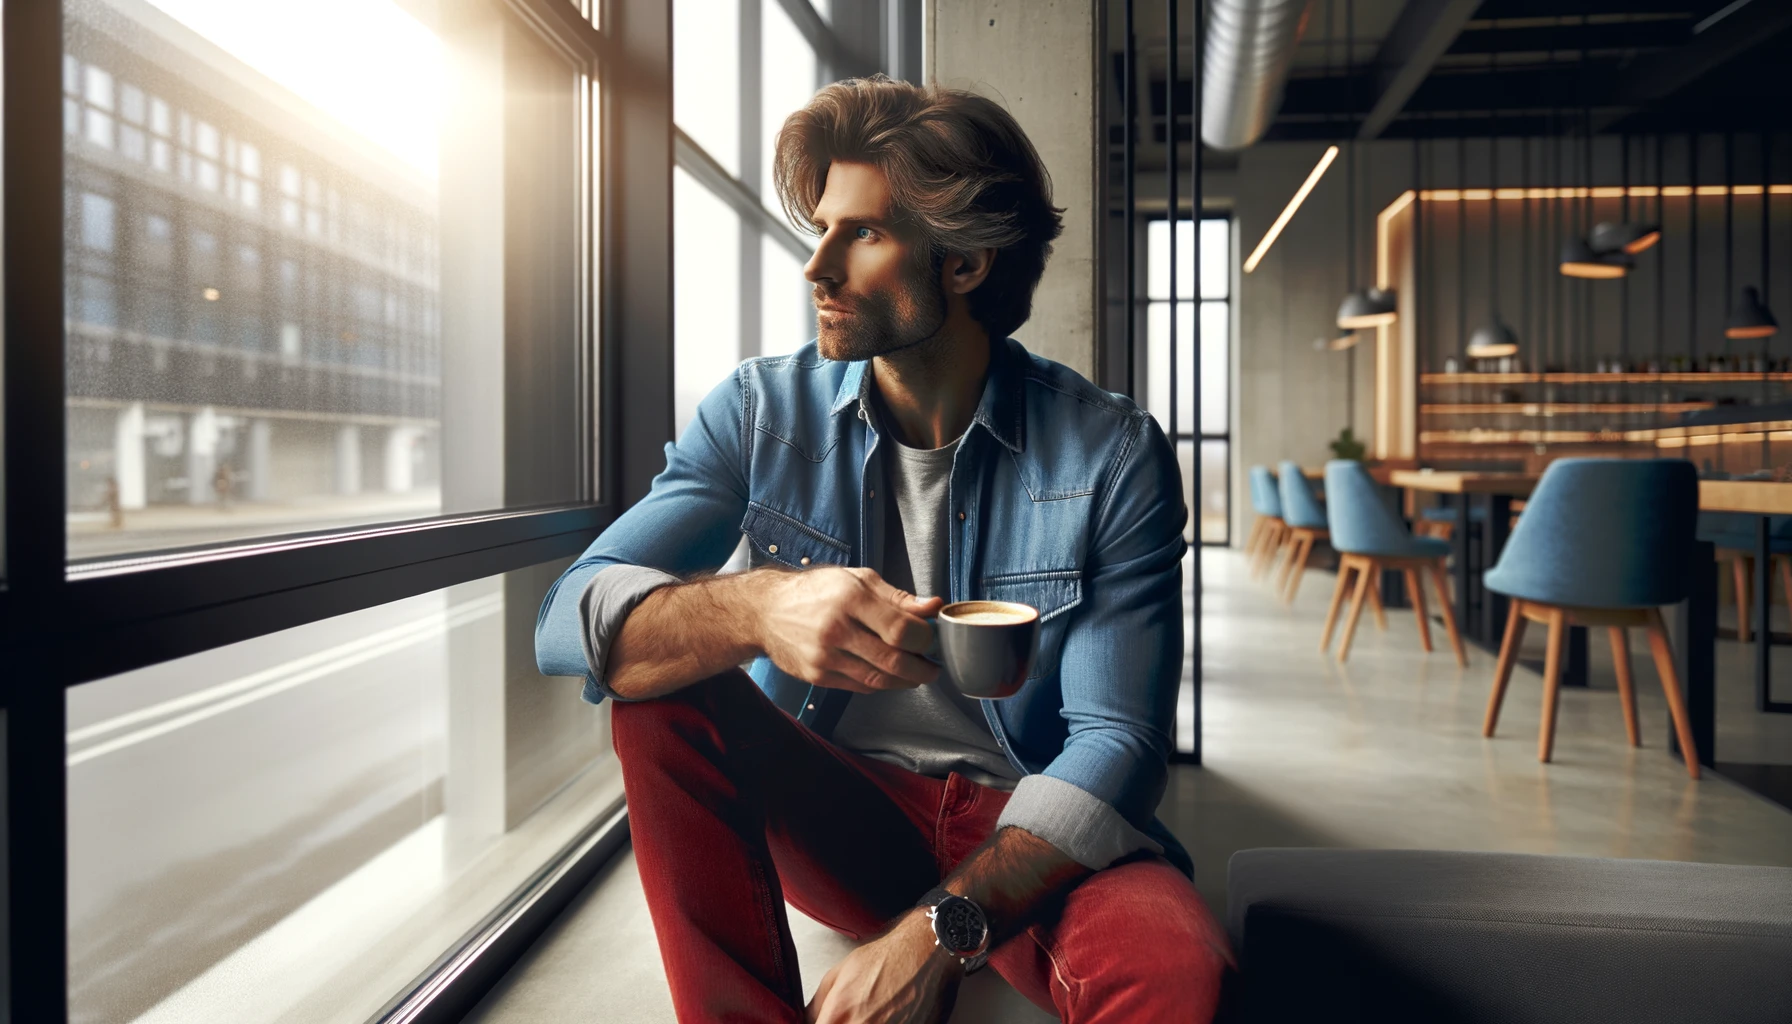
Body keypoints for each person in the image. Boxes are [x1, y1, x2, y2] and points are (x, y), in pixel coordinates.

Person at [535, 76, 1231, 1024]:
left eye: (861, 234)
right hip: (843, 810)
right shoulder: (757, 413)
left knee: (1183, 975)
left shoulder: (1110, 452)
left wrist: (939, 932)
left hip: (1033, 823)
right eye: (821, 227)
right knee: (662, 682)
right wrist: (755, 610)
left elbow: (1121, 740)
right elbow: (570, 621)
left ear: (967, 264)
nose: (817, 266)